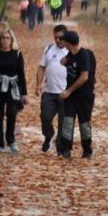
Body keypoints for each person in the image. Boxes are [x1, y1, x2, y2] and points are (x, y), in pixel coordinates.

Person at [0, 31, 27, 153]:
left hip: (12, 87)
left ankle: (11, 140)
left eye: (8, 38)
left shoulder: (18, 54)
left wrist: (24, 93)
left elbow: (21, 74)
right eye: (3, 38)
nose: (5, 40)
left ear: (12, 40)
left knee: (11, 113)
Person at [59, 30, 96, 159]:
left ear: (68, 43)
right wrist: (66, 59)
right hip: (71, 97)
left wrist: (69, 90)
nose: (60, 42)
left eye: (63, 40)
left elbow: (84, 76)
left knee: (84, 123)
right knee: (67, 122)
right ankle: (65, 150)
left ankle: (87, 150)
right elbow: (62, 62)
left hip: (84, 96)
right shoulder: (71, 54)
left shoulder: (83, 55)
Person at [36, 24, 68, 154]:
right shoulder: (49, 49)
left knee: (63, 122)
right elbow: (41, 67)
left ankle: (60, 148)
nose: (58, 40)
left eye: (60, 37)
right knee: (45, 117)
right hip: (49, 92)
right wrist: (38, 84)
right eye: (56, 38)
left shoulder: (71, 51)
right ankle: (48, 135)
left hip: (65, 93)